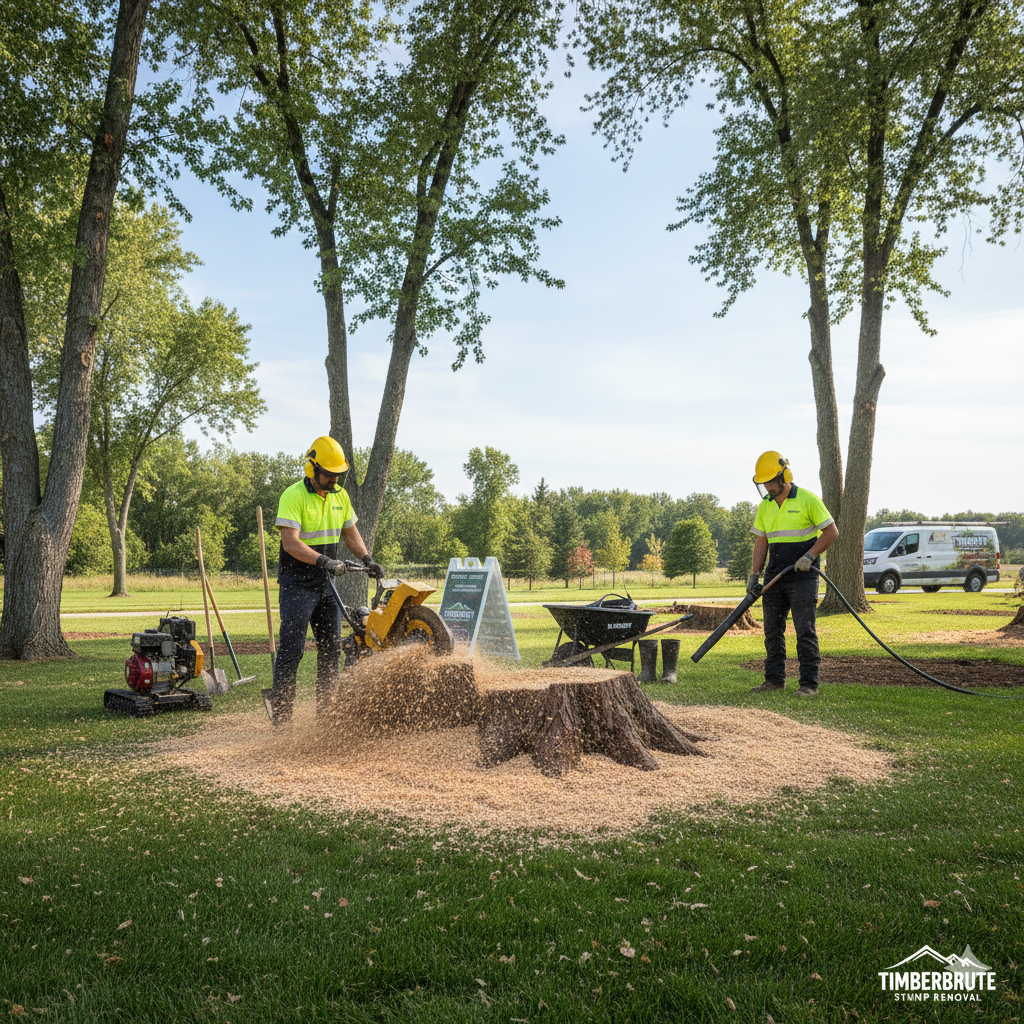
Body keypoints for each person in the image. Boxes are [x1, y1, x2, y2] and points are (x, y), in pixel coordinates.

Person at [270, 435, 383, 724]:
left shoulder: (339, 496)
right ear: (312, 469)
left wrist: (366, 559)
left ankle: (326, 717)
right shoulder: (292, 496)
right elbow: (290, 544)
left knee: (332, 650)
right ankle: (282, 719)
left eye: (338, 475)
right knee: (292, 650)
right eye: (329, 475)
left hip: (326, 587)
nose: (335, 481)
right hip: (298, 585)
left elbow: (350, 532)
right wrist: (324, 561)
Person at [747, 451, 839, 697]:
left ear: (784, 475)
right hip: (775, 576)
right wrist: (754, 575)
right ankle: (774, 680)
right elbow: (761, 543)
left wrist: (809, 556)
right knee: (772, 631)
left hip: (803, 578)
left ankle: (809, 684)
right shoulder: (765, 507)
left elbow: (832, 532)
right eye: (763, 482)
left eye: (769, 481)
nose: (766, 487)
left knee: (804, 630)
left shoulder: (808, 500)